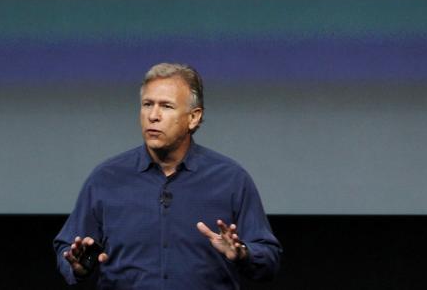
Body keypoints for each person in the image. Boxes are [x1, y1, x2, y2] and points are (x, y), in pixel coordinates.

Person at [54, 63, 282, 288]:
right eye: (147, 104)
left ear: (193, 117)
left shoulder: (231, 179)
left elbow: (269, 257)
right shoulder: (106, 178)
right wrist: (78, 264)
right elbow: (68, 246)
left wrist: (242, 252)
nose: (153, 115)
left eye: (166, 106)